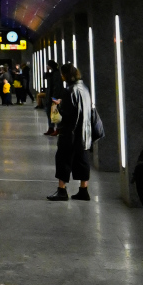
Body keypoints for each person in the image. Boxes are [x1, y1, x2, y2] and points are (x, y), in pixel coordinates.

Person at [48, 64, 92, 201]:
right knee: (82, 160)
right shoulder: (85, 88)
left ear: (66, 75)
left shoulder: (69, 91)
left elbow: (66, 113)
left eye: (62, 74)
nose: (61, 77)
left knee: (63, 159)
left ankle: (61, 190)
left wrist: (58, 105)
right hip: (84, 131)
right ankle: (83, 190)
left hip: (70, 132)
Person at [43, 61, 65, 136]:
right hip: (50, 95)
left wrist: (54, 97)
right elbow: (45, 77)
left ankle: (57, 128)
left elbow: (57, 87)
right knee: (49, 112)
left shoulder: (56, 74)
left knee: (55, 112)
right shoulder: (52, 73)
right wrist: (47, 71)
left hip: (54, 97)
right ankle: (51, 128)